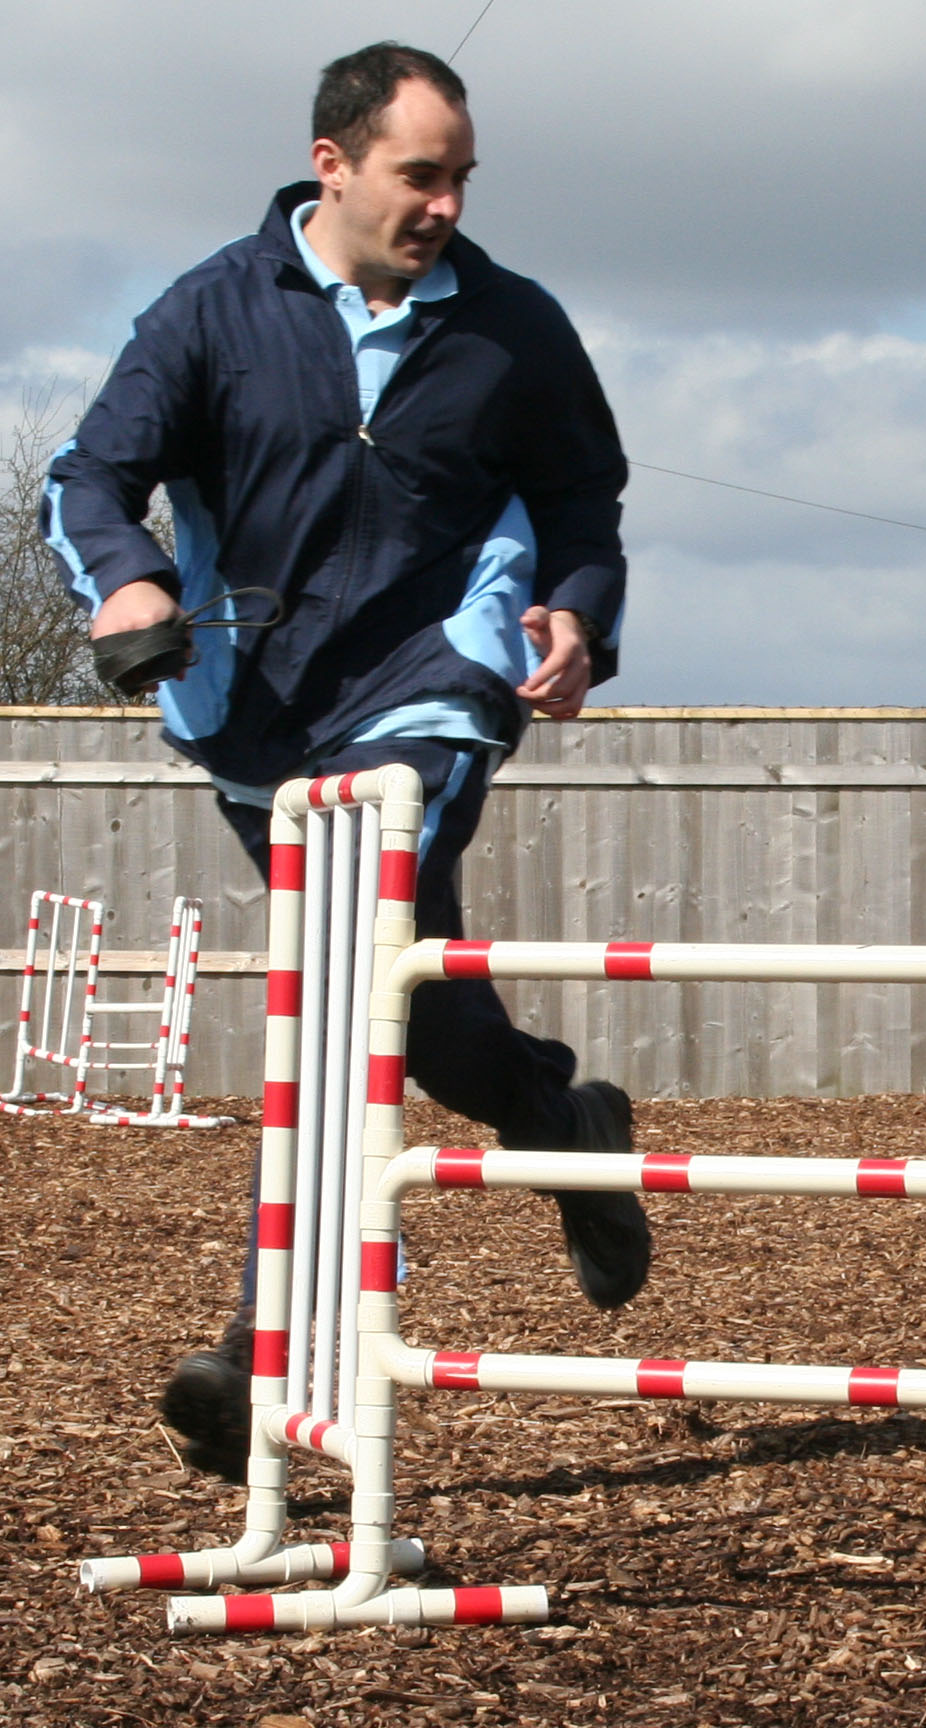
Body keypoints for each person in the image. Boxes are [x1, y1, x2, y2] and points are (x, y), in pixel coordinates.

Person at [41, 42, 651, 1480]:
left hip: (433, 684)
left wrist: (580, 613)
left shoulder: (513, 327)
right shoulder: (212, 311)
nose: (444, 203)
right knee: (413, 1013)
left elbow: (584, 500)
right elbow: (89, 474)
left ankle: (264, 1355)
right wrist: (127, 583)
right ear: (335, 163)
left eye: (460, 179)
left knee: (333, 976)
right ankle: (562, 1120)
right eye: (418, 174)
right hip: (257, 707)